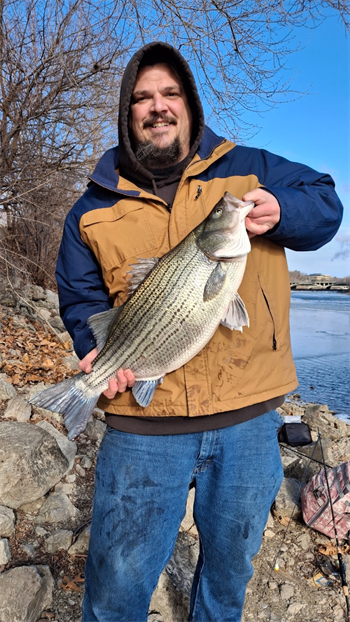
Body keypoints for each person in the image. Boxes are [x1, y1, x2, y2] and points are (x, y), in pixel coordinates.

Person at [56, 42, 343, 622]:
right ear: (126, 111)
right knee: (115, 587)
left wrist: (281, 210)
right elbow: (83, 299)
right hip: (143, 427)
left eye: (170, 94)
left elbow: (326, 204)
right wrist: (95, 355)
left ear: (189, 104)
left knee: (228, 579)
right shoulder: (88, 208)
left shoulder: (250, 168)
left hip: (247, 423)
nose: (157, 107)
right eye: (142, 98)